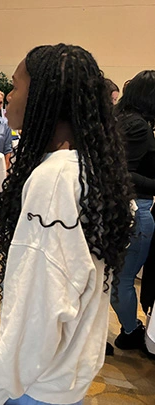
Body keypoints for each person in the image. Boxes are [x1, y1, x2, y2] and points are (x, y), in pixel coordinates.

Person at [0, 44, 133, 405]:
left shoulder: (55, 180)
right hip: (66, 375)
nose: (9, 97)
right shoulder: (86, 167)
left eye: (16, 86)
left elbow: (41, 307)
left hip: (36, 385)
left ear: (44, 97)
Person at [110, 70, 155, 354]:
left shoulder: (122, 119)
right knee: (123, 280)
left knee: (119, 279)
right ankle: (131, 331)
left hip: (128, 208)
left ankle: (131, 330)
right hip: (137, 208)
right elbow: (124, 172)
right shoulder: (137, 125)